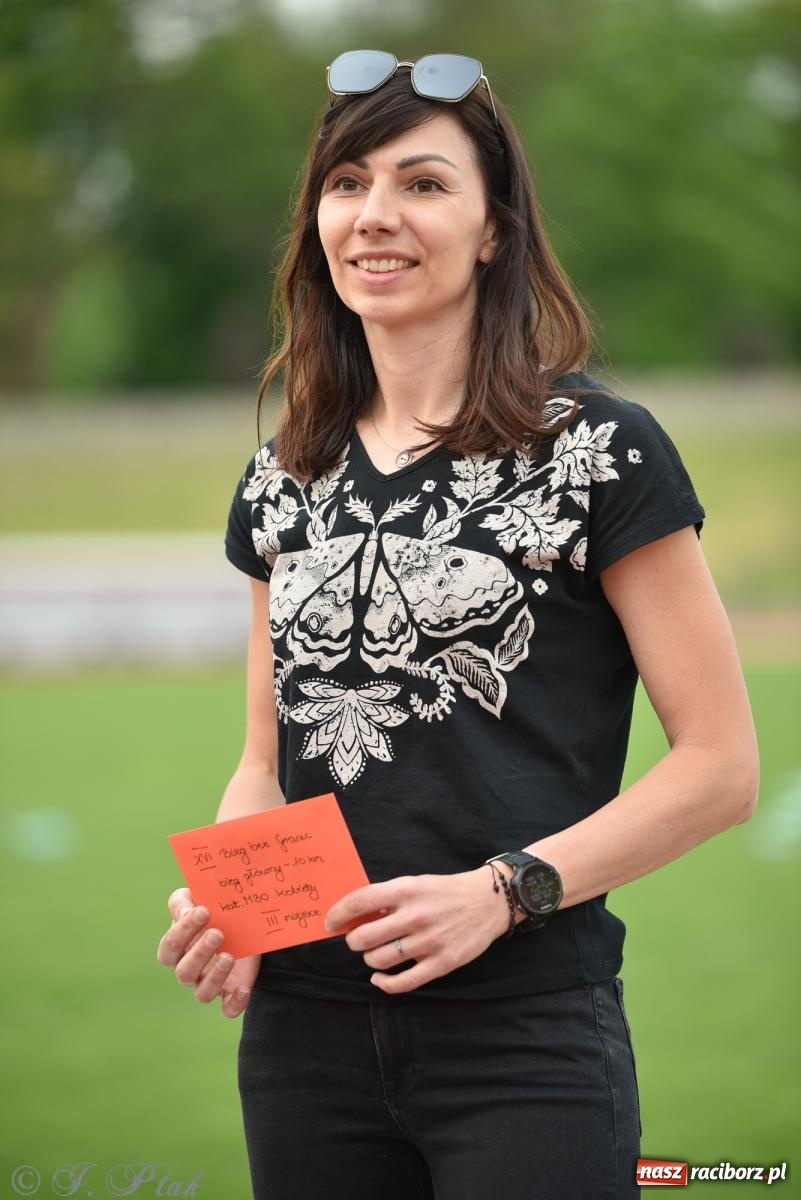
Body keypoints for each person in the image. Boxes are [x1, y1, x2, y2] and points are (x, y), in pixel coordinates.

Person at [157, 50, 759, 1200]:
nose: (375, 216)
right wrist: (237, 903)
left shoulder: (598, 452)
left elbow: (724, 768)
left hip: (526, 1035)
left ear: (494, 231)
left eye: (423, 184)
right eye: (346, 184)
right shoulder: (284, 474)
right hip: (303, 1044)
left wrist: (501, 891)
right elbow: (266, 761)